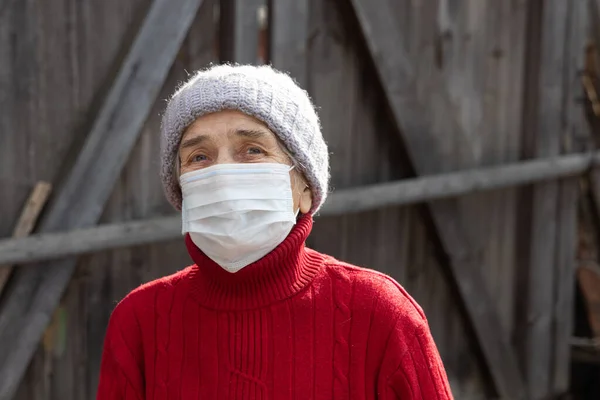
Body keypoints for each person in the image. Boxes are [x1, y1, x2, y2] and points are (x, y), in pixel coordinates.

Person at [96, 64, 453, 399]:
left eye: (252, 149)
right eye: (199, 157)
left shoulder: (382, 314)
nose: (223, 175)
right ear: (181, 191)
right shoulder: (139, 323)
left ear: (305, 189)